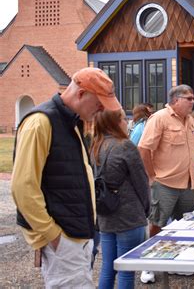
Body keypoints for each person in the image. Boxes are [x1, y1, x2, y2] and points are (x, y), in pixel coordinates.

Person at [11, 67, 121, 288]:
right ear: (81, 93)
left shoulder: (71, 122)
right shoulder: (41, 122)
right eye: (99, 103)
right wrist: (54, 237)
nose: (101, 110)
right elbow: (23, 188)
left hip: (74, 236)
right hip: (64, 238)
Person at [138, 84, 194, 282]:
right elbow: (144, 149)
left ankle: (179, 262)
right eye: (188, 98)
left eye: (192, 98)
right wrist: (151, 176)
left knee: (187, 225)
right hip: (164, 183)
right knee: (157, 223)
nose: (192, 101)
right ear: (175, 100)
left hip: (188, 183)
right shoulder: (159, 118)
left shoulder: (190, 120)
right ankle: (149, 266)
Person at [91, 109, 150, 289]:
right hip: (128, 215)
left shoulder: (95, 145)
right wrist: (146, 208)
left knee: (108, 268)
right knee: (126, 270)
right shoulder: (124, 145)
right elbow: (141, 181)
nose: (127, 122)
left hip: (105, 215)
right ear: (115, 123)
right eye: (124, 118)